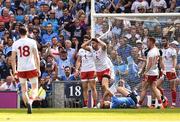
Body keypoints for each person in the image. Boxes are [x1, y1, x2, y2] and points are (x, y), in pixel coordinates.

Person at [11, 25, 40, 114]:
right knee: (35, 88)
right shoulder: (32, 42)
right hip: (31, 67)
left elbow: (12, 59)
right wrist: (38, 68)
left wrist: (14, 70)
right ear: (27, 32)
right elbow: (36, 56)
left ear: (19, 33)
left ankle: (28, 104)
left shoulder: (15, 43)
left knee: (24, 89)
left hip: (21, 68)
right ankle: (30, 101)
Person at [138, 37, 164, 109]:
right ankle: (160, 104)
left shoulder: (150, 52)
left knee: (144, 88)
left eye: (148, 42)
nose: (147, 43)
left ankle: (139, 104)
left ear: (152, 42)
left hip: (150, 73)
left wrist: (145, 72)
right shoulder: (157, 51)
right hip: (155, 72)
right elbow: (156, 61)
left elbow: (149, 63)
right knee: (154, 88)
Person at [76, 35, 97, 107]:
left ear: (89, 41)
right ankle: (86, 105)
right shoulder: (81, 50)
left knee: (93, 87)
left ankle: (94, 105)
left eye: (87, 40)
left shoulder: (92, 49)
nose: (85, 42)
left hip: (91, 69)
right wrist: (77, 69)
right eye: (84, 41)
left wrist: (96, 70)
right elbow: (78, 61)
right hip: (83, 70)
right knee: (84, 88)